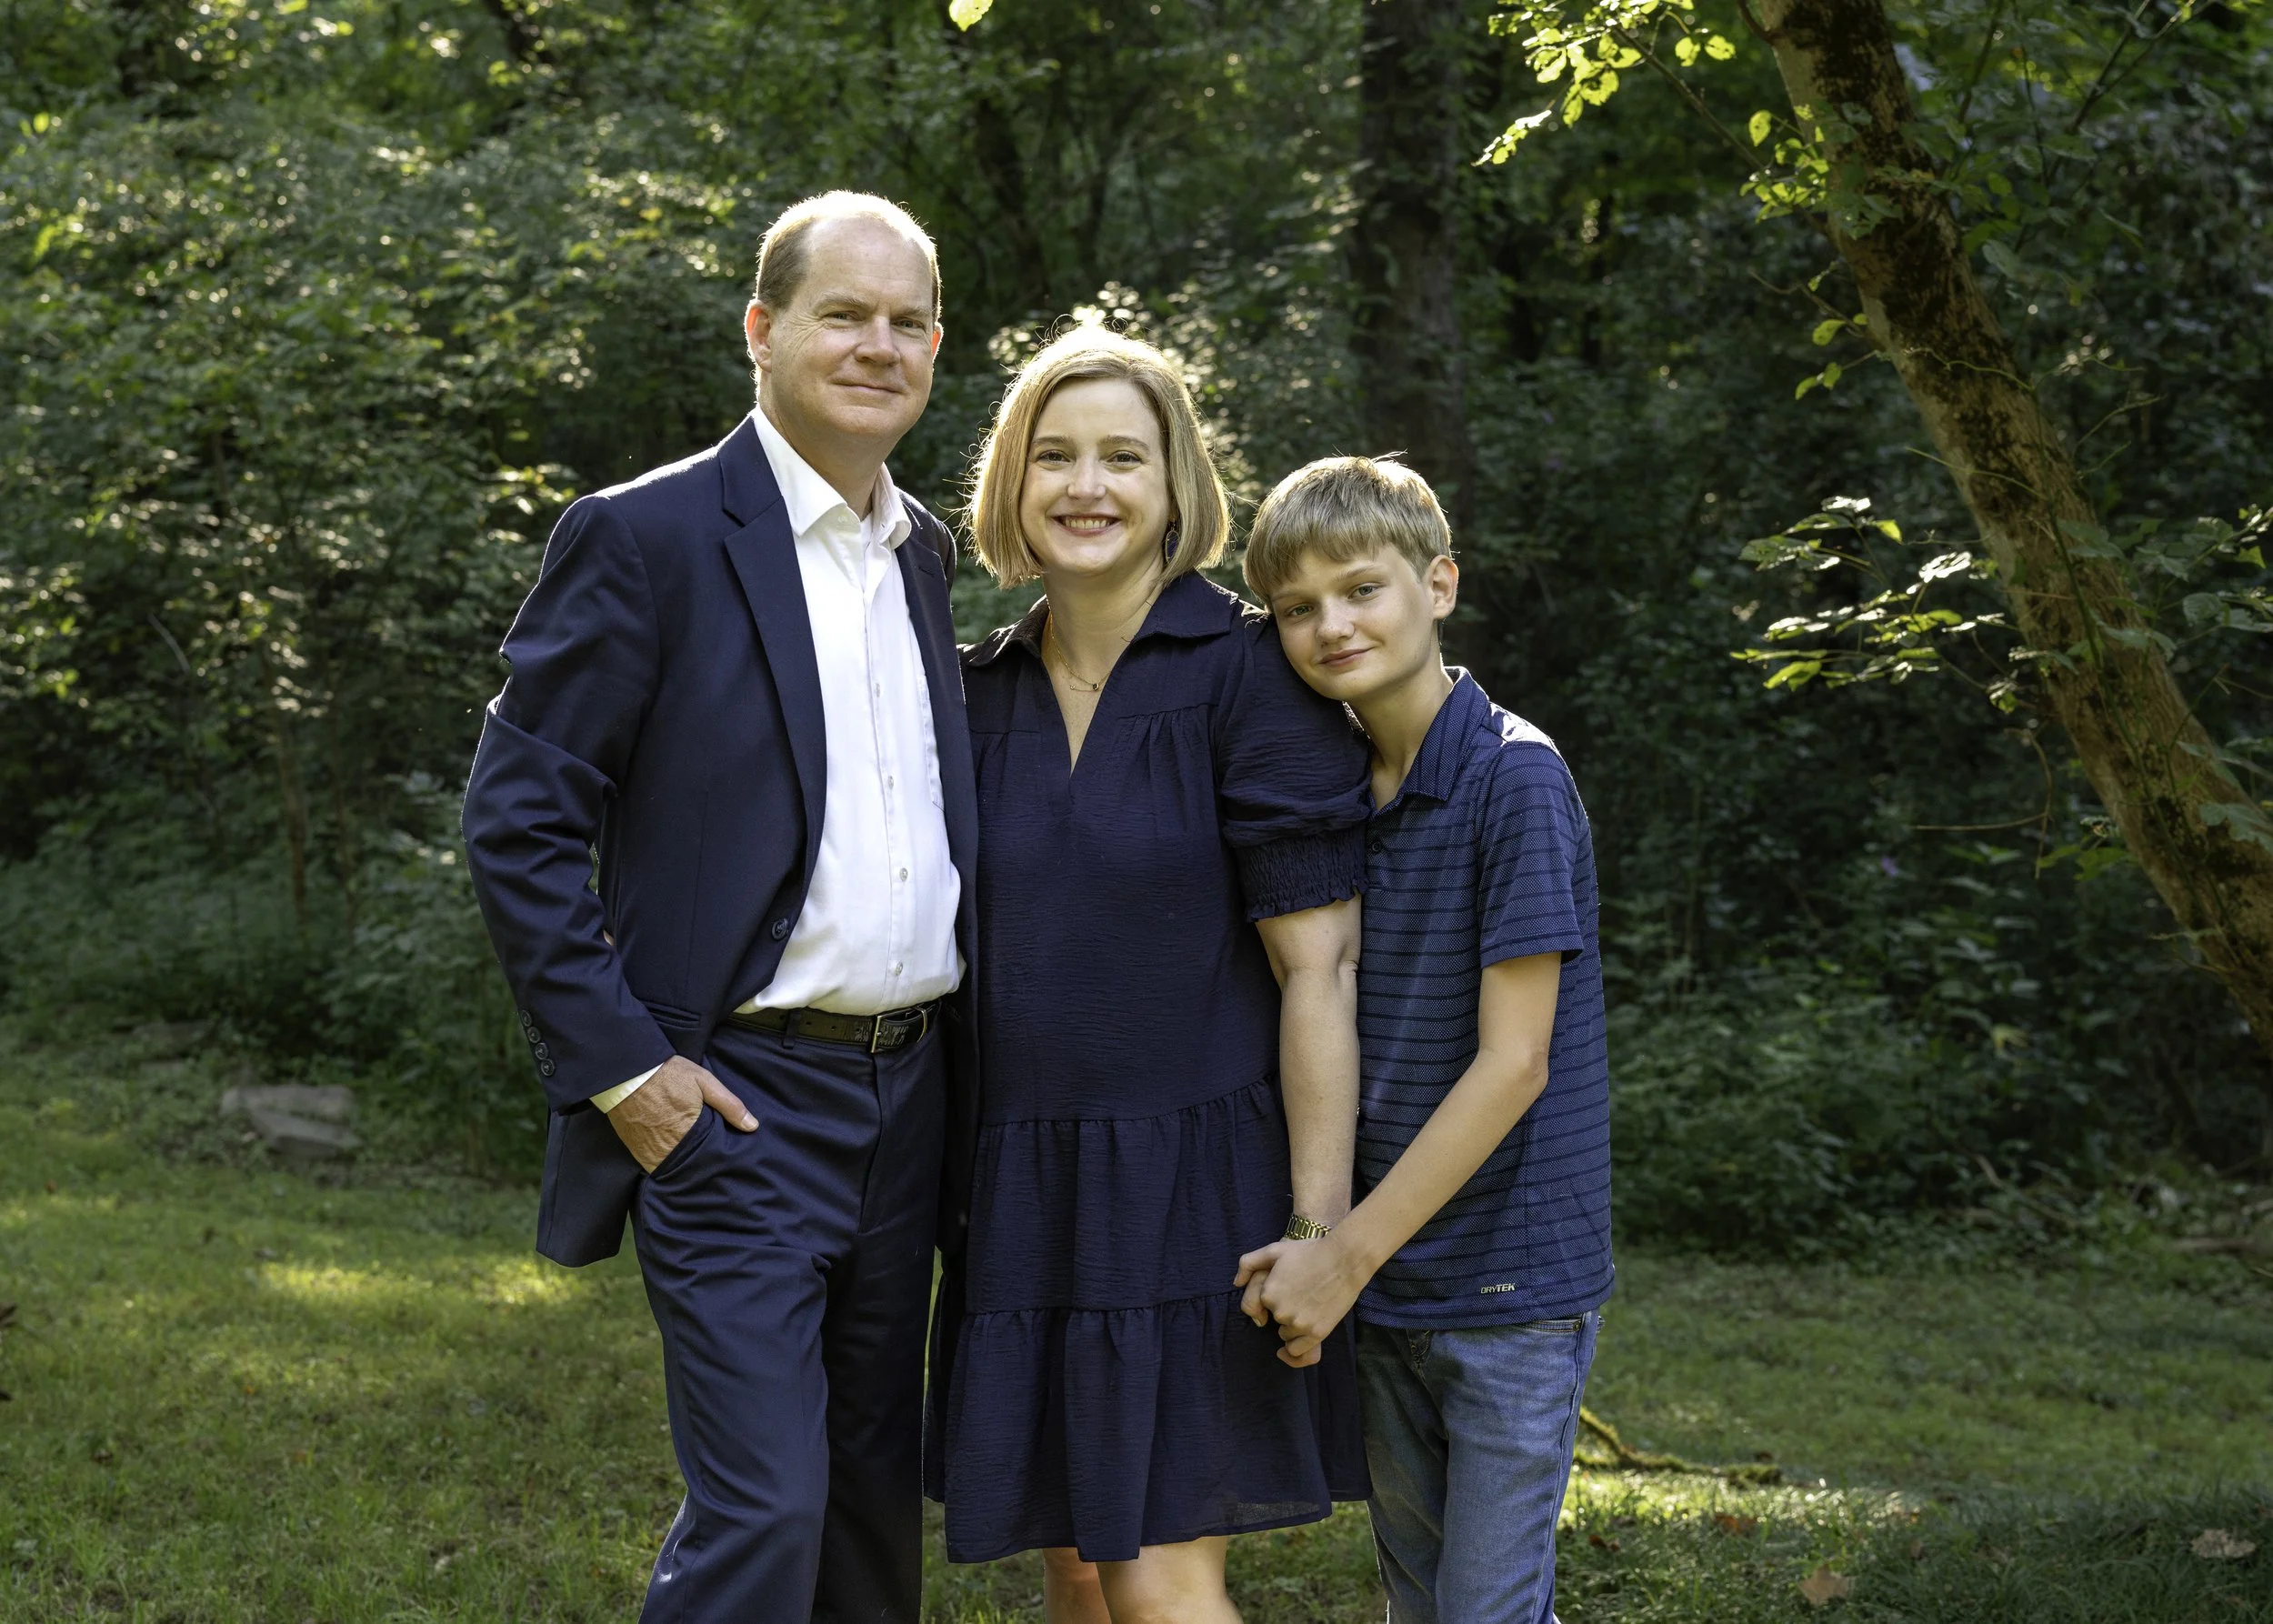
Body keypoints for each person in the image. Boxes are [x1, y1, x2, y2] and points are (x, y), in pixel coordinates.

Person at [460, 191, 977, 1624]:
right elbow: (516, 819)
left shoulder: (925, 554)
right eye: (843, 314)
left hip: (913, 1103)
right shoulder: (647, 537)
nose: (879, 345)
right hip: (737, 1103)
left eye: (909, 321)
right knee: (766, 1511)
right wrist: (629, 1071)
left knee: (870, 1513)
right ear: (762, 328)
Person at [927, 328, 1372, 1624]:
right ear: (1011, 481)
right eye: (1055, 456)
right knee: (1074, 1559)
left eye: (1123, 457)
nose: (1087, 486)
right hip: (1018, 1184)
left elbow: (1321, 973)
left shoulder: (1253, 675)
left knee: (1159, 1577)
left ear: (1177, 485)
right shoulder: (969, 690)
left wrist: (1319, 1234)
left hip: (1196, 1186)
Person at [1233, 456, 1614, 1624]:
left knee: (1485, 1610)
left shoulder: (1513, 778)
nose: (1331, 625)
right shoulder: (1332, 788)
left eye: (1361, 589)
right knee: (1419, 1600)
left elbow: (1516, 1062)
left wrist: (1340, 1258)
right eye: (1296, 608)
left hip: (1509, 1281)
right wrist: (1337, 1249)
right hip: (1392, 1280)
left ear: (1438, 583)